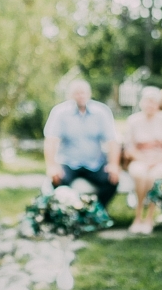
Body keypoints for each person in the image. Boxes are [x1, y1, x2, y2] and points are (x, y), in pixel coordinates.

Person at [44, 79, 121, 207]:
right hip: (68, 162)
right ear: (70, 95)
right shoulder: (59, 112)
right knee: (57, 181)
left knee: (112, 180)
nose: (80, 96)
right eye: (77, 93)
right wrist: (52, 166)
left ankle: (97, 212)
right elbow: (50, 141)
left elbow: (112, 141)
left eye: (83, 93)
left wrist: (114, 165)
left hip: (95, 163)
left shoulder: (101, 111)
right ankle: (68, 212)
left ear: (89, 94)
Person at [124, 87, 162, 234]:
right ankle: (138, 215)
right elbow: (129, 148)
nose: (150, 105)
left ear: (158, 104)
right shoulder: (133, 120)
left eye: (153, 102)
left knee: (154, 176)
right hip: (140, 158)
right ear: (142, 103)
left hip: (161, 159)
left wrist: (155, 161)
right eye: (147, 102)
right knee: (140, 174)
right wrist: (144, 160)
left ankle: (149, 217)